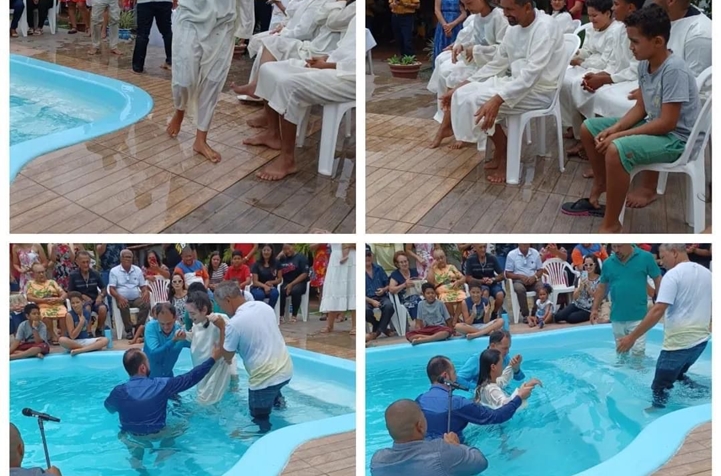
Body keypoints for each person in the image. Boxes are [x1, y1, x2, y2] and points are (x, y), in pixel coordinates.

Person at [561, 5, 701, 232]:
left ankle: (611, 225)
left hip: (676, 139)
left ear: (657, 41)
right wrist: (614, 127)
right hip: (656, 127)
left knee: (616, 148)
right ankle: (602, 183)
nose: (630, 47)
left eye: (635, 42)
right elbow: (641, 108)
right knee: (589, 128)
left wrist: (620, 134)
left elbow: (668, 122)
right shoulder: (645, 65)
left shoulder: (674, 69)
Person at [446, 0, 565, 183]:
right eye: (503, 9)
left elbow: (531, 75)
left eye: (510, 9)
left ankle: (506, 154)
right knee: (463, 94)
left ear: (527, 7)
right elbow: (499, 61)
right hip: (515, 83)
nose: (504, 14)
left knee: (480, 102)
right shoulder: (513, 27)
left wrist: (499, 98)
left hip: (541, 90)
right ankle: (502, 149)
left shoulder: (545, 27)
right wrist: (466, 82)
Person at [249, 12, 356, 181]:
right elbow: (343, 49)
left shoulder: (356, 11)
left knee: (289, 84)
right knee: (268, 69)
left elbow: (355, 62)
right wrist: (324, 59)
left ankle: (288, 158)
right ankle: (273, 133)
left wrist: (327, 64)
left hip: (349, 77)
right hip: (333, 65)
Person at [617, 244, 711, 408]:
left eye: (663, 256)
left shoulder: (673, 275)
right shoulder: (707, 273)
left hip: (678, 345)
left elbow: (658, 310)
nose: (661, 261)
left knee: (659, 388)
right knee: (678, 374)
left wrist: (632, 338)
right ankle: (703, 393)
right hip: (701, 342)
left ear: (674, 253)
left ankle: (656, 412)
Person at [165, 0, 243, 163]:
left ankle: (201, 139)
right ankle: (179, 111)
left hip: (224, 22)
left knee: (213, 82)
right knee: (183, 80)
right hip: (190, 15)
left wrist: (243, 31)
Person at [216, 281, 293, 433]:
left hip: (263, 380)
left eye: (220, 305)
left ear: (228, 300)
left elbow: (227, 356)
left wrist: (222, 328)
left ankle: (263, 436)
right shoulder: (264, 307)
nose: (221, 309)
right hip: (286, 370)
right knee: (275, 393)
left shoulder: (234, 323)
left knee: (259, 420)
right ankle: (278, 403)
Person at [105, 346, 223, 435]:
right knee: (184, 423)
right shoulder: (161, 385)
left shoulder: (118, 391)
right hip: (158, 434)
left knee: (133, 446)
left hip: (131, 435)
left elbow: (109, 408)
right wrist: (213, 358)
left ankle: (136, 458)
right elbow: (191, 377)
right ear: (143, 368)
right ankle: (165, 450)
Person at [416, 355, 529, 442]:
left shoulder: (418, 401)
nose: (456, 377)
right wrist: (519, 397)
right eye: (454, 373)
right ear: (445, 376)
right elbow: (497, 416)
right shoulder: (458, 403)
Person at [560, 0, 621, 151]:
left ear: (608, 14)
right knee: (562, 80)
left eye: (595, 15)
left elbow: (605, 61)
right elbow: (587, 49)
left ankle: (584, 134)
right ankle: (572, 126)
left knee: (577, 83)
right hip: (588, 64)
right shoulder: (592, 29)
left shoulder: (615, 32)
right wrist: (577, 54)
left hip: (605, 69)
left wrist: (582, 62)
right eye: (590, 15)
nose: (592, 19)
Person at [370, 399, 489, 476]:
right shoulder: (441, 453)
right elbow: (481, 462)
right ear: (420, 426)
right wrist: (456, 446)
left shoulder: (378, 461)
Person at [590, 244, 661, 357]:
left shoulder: (645, 257)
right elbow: (602, 287)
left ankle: (638, 374)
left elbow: (657, 278)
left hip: (639, 316)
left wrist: (660, 301)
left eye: (620, 246)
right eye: (614, 247)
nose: (616, 250)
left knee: (638, 352)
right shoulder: (608, 263)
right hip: (617, 316)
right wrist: (594, 309)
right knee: (621, 353)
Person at [185, 291, 238, 405]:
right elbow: (198, 338)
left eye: (192, 313)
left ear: (204, 310)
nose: (189, 317)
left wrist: (222, 326)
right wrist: (185, 336)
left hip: (216, 370)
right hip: (202, 369)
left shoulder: (219, 320)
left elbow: (231, 343)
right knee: (205, 400)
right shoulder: (196, 324)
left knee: (208, 402)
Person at [456, 330, 525, 389]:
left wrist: (516, 369)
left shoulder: (505, 357)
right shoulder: (477, 359)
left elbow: (520, 379)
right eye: (505, 348)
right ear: (492, 346)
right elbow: (458, 379)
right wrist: (479, 388)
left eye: (508, 348)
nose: (508, 352)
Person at [475, 348, 541, 408]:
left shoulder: (485, 384)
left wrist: (511, 365)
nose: (503, 365)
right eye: (501, 363)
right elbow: (507, 407)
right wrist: (522, 392)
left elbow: (503, 379)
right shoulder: (492, 390)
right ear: (493, 367)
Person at [109, 249, 151, 340]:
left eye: (130, 257)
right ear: (121, 259)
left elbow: (143, 286)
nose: (128, 259)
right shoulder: (114, 271)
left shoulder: (137, 270)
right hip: (121, 297)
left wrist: (145, 291)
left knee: (146, 304)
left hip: (136, 298)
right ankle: (128, 331)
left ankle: (137, 329)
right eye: (126, 257)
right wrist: (118, 297)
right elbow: (111, 288)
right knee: (123, 304)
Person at [143, 303, 190, 378]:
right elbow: (154, 354)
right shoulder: (150, 327)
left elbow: (196, 344)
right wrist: (173, 341)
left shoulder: (179, 330)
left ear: (175, 318)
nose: (166, 327)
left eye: (169, 323)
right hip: (147, 379)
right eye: (162, 324)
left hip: (168, 378)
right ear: (157, 318)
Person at [68, 250, 108, 337]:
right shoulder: (73, 275)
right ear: (77, 262)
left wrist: (100, 296)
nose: (86, 265)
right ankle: (88, 332)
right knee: (87, 308)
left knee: (103, 309)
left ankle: (99, 329)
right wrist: (81, 296)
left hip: (95, 300)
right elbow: (70, 292)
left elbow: (104, 288)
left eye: (87, 262)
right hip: (81, 302)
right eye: (83, 262)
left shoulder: (95, 273)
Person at [319, 243, 356, 335]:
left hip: (353, 257)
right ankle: (329, 325)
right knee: (334, 290)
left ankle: (355, 326)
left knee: (354, 291)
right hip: (336, 259)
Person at [554, 254, 602, 324]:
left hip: (588, 309)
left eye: (591, 265)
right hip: (577, 304)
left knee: (571, 318)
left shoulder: (600, 279)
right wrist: (580, 288)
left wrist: (589, 289)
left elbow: (598, 297)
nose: (588, 267)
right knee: (557, 317)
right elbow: (574, 297)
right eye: (586, 265)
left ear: (595, 265)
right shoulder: (581, 277)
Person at [504, 244, 544, 323]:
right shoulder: (511, 254)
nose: (524, 244)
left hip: (533, 279)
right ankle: (525, 315)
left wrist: (534, 277)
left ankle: (535, 313)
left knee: (541, 288)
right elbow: (507, 273)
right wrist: (519, 276)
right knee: (519, 289)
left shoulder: (535, 253)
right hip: (518, 280)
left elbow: (540, 270)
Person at [464, 243, 505, 318]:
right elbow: (468, 278)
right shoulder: (470, 259)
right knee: (484, 293)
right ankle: (484, 316)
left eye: (484, 247)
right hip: (478, 284)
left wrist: (493, 279)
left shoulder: (492, 258)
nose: (483, 249)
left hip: (492, 283)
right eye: (480, 247)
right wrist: (481, 281)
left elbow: (502, 274)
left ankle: (494, 313)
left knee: (500, 295)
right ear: (475, 248)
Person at [426, 248, 466, 326]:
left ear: (445, 257)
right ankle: (455, 320)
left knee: (463, 299)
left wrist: (459, 281)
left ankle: (454, 319)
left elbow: (463, 278)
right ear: (434, 260)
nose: (441, 260)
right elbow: (430, 283)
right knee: (445, 300)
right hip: (443, 292)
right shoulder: (433, 270)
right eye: (438, 259)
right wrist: (431, 267)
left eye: (442, 257)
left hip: (456, 289)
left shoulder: (451, 267)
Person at [131, 0, 173, 73]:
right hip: (165, 2)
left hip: (145, 2)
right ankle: (170, 61)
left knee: (142, 34)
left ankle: (137, 66)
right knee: (167, 32)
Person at [366, 245, 396, 342]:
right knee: (364, 310)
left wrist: (383, 289)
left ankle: (377, 332)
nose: (367, 257)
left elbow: (388, 284)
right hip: (366, 299)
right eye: (364, 255)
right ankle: (382, 328)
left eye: (368, 254)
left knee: (389, 306)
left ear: (372, 256)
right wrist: (372, 301)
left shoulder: (378, 268)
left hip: (381, 296)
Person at [277, 243, 310, 323]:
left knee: (295, 291)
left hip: (299, 282)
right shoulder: (282, 258)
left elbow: (305, 273)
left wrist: (291, 284)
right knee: (280, 291)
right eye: (285, 249)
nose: (287, 251)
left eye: (289, 248)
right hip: (285, 282)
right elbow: (274, 266)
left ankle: (294, 315)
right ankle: (281, 315)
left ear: (294, 247)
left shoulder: (301, 257)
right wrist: (278, 257)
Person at [250, 244, 281, 308]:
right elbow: (255, 282)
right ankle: (260, 313)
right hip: (258, 287)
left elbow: (279, 279)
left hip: (271, 286)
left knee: (275, 293)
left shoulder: (277, 263)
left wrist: (271, 282)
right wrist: (264, 286)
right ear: (261, 251)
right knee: (259, 295)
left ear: (271, 251)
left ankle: (269, 312)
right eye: (264, 250)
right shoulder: (256, 264)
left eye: (268, 250)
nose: (266, 252)